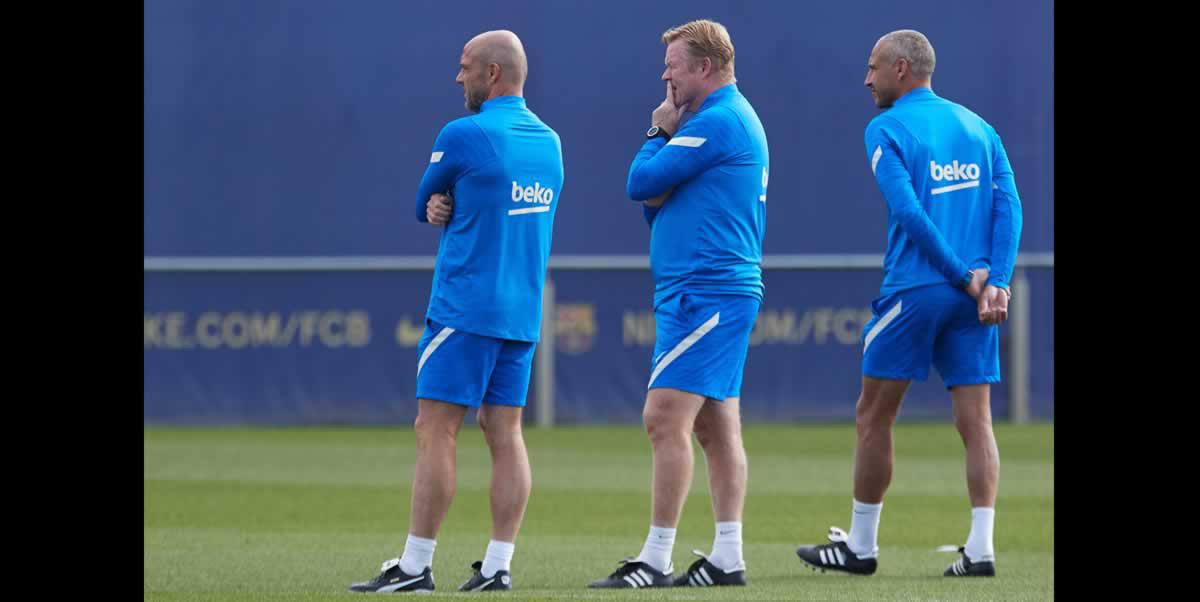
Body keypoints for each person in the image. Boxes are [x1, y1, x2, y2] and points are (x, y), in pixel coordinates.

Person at [794, 29, 1022, 579]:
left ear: (901, 68)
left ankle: (862, 547)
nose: (866, 79)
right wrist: (998, 282)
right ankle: (982, 548)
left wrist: (964, 277)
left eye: (873, 67)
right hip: (974, 294)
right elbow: (1008, 204)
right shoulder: (978, 126)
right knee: (977, 421)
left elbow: (911, 213)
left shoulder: (886, 126)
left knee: (874, 415)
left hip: (918, 289)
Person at [349, 29, 563, 593]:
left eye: (466, 66)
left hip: (465, 308)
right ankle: (498, 565)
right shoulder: (550, 141)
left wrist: (439, 203)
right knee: (506, 432)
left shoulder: (464, 134)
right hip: (521, 312)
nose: (457, 76)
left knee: (435, 430)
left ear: (493, 74)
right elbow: (467, 202)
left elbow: (424, 199)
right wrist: (447, 203)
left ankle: (415, 567)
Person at [588, 18, 768, 589]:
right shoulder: (719, 121)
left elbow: (640, 183)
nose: (665, 75)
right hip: (711, 289)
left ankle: (656, 559)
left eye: (674, 65)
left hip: (706, 290)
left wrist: (656, 129)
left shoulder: (717, 121)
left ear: (705, 68)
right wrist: (666, 150)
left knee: (664, 417)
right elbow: (657, 202)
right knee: (716, 428)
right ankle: (728, 558)